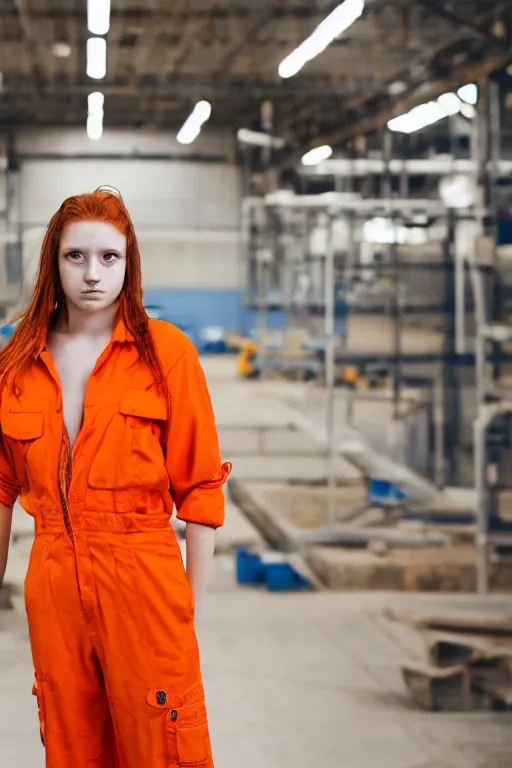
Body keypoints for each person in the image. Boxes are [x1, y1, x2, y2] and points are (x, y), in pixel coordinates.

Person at [0, 188, 231, 767]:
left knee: (163, 743)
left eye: (110, 258)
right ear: (54, 263)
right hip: (52, 584)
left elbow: (201, 488)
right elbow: (2, 488)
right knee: (72, 743)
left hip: (145, 580)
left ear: (129, 265)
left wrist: (186, 608)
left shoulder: (167, 354)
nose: (93, 274)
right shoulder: (18, 363)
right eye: (76, 256)